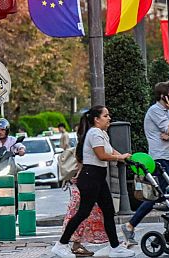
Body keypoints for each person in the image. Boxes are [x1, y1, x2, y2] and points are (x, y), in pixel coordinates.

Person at [51, 106, 134, 258]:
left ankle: (115, 248)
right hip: (90, 176)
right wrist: (120, 158)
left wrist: (124, 156)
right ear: (96, 119)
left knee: (108, 211)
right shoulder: (94, 133)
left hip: (97, 177)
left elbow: (110, 150)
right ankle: (61, 245)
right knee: (83, 212)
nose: (109, 118)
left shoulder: (101, 133)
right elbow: (102, 155)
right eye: (106, 116)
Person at [122, 81, 169, 246]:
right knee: (155, 196)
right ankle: (130, 225)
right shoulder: (155, 111)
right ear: (164, 96)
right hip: (159, 160)